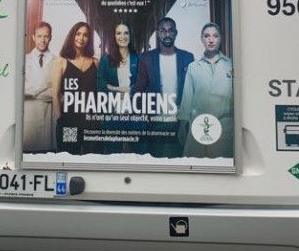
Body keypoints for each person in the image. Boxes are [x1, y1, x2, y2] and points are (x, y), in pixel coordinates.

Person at [133, 16, 194, 157]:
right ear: (158, 33)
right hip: (156, 122)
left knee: (178, 161)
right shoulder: (146, 58)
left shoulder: (187, 58)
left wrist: (186, 121)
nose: (167, 34)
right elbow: (138, 90)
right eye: (163, 30)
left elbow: (192, 91)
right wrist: (142, 117)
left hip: (180, 122)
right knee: (157, 161)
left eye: (171, 30)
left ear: (176, 33)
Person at [177, 22, 234, 158]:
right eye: (207, 36)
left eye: (215, 36)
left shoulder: (231, 65)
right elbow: (187, 99)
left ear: (220, 38)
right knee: (196, 164)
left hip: (224, 126)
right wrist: (182, 126)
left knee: (220, 164)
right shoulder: (193, 67)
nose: (211, 40)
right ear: (201, 39)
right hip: (198, 125)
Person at [52, 21, 99, 154]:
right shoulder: (61, 61)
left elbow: (99, 93)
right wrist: (60, 120)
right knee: (69, 156)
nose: (81, 38)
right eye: (78, 34)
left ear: (89, 39)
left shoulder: (95, 62)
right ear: (72, 36)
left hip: (91, 123)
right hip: (69, 122)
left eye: (85, 35)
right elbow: (55, 95)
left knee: (93, 157)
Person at [97, 23, 140, 152]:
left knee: (136, 155)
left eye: (126, 33)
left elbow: (141, 86)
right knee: (112, 154)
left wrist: (115, 88)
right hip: (112, 115)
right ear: (114, 36)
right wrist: (128, 90)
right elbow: (100, 87)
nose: (123, 36)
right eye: (119, 33)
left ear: (130, 36)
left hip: (134, 116)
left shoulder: (139, 59)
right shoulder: (105, 60)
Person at [23, 22, 56, 152]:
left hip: (48, 117)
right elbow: (19, 89)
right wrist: (46, 89)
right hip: (28, 116)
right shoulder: (24, 60)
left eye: (46, 36)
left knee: (46, 153)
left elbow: (59, 93)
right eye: (39, 36)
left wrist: (32, 92)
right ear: (33, 37)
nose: (43, 40)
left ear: (50, 38)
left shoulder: (57, 61)